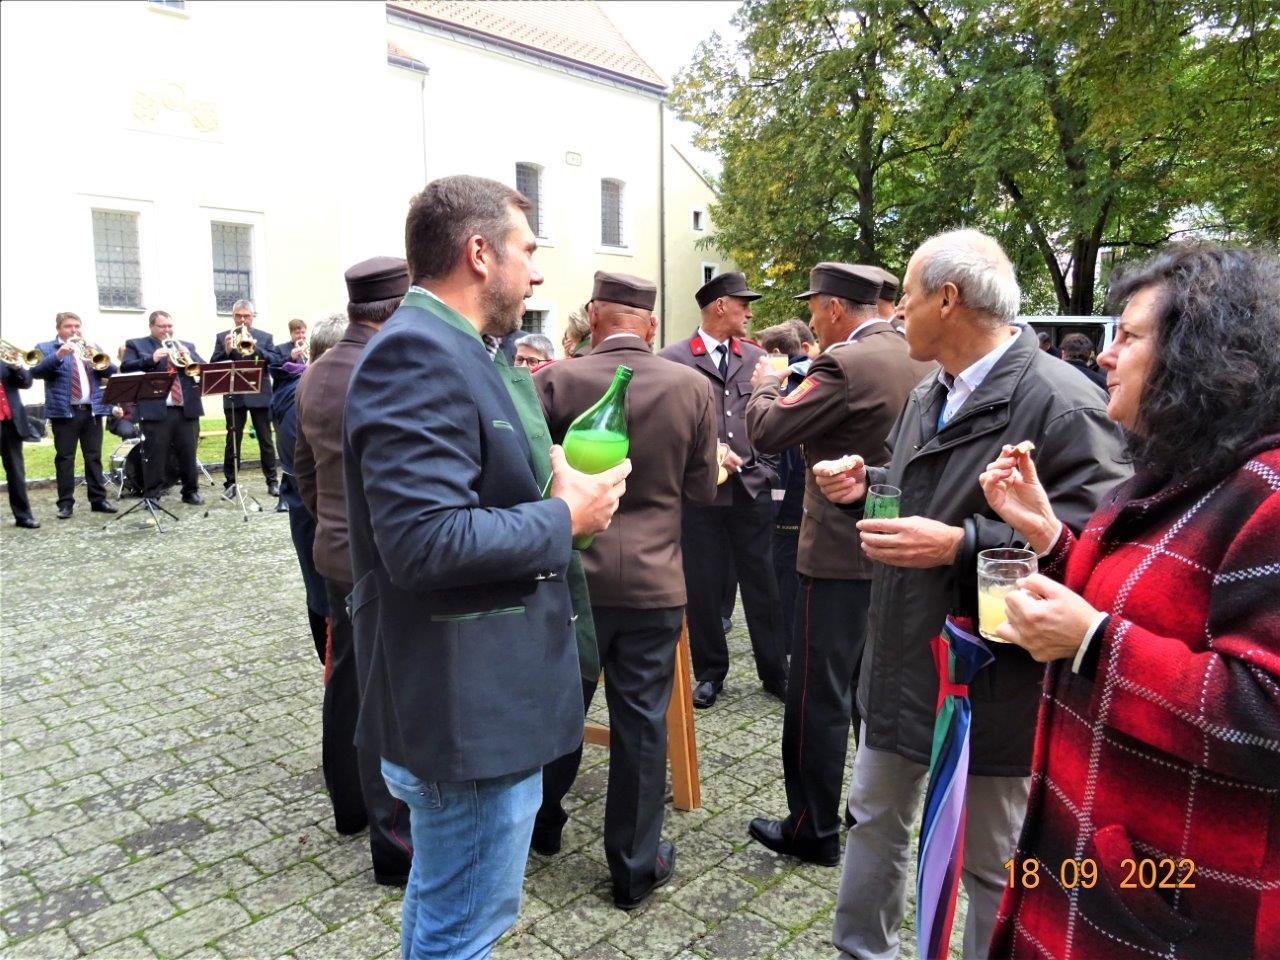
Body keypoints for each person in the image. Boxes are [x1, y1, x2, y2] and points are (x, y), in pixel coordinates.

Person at [812, 229, 1129, 959]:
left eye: (908, 297)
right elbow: (919, 493)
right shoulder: (932, 388)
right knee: (875, 822)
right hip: (901, 660)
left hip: (994, 681)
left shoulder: (1062, 404)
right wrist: (865, 489)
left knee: (994, 862)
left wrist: (959, 545)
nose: (897, 314)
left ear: (948, 299)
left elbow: (1093, 551)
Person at [343, 175, 629, 960]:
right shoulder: (418, 353)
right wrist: (565, 517)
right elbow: (424, 541)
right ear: (479, 253)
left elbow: (466, 492)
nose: (536, 272)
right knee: (462, 927)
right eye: (526, 251)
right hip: (463, 708)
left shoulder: (459, 350)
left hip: (478, 698)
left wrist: (554, 483)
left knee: (448, 907)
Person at [977, 243, 1280, 960]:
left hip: (1169, 896)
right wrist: (1049, 537)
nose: (1105, 356)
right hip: (1101, 858)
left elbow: (1267, 714)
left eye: (1130, 337)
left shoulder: (1266, 492)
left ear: (1201, 355)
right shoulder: (1182, 466)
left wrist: (1092, 643)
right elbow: (1145, 603)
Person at [534, 270, 718, 909]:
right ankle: (634, 868)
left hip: (571, 579)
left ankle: (542, 825)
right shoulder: (691, 386)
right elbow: (702, 491)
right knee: (641, 723)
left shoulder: (554, 381)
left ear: (593, 315)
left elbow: (533, 479)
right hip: (653, 580)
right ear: (651, 325)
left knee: (560, 707)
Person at [745, 263, 935, 868]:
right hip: (900, 548)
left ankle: (812, 828)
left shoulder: (842, 364)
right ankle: (869, 811)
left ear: (832, 309)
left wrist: (766, 383)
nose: (814, 321)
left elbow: (767, 430)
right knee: (870, 692)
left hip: (836, 555)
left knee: (818, 696)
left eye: (814, 309)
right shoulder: (920, 355)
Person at [295, 258, 412, 886]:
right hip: (380, 556)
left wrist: (331, 526)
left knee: (346, 675)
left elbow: (304, 470)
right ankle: (393, 844)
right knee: (385, 692)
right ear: (397, 308)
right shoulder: (387, 367)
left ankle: (347, 804)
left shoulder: (316, 370)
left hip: (335, 552)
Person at [660, 272, 788, 709]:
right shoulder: (674, 359)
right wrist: (710, 454)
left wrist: (766, 469)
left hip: (752, 492)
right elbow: (668, 426)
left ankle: (775, 671)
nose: (749, 312)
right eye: (743, 304)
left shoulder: (757, 358)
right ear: (719, 306)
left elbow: (774, 418)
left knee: (763, 585)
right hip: (700, 495)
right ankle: (710, 673)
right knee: (702, 587)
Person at [271, 312, 345, 666]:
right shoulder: (301, 399)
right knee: (325, 605)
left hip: (321, 521)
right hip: (315, 522)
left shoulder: (315, 389)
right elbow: (308, 468)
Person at [754, 322, 808, 665]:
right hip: (802, 496)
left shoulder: (788, 385)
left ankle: (787, 649)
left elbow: (780, 447)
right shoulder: (812, 374)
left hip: (788, 498)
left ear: (775, 355)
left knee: (784, 573)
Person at [30, 312, 118, 518]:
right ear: (58, 329)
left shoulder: (90, 347)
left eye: (77, 326)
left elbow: (111, 372)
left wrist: (97, 354)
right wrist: (59, 355)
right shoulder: (46, 347)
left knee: (94, 457)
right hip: (64, 412)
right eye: (69, 326)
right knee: (65, 458)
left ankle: (98, 500)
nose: (74, 330)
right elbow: (36, 372)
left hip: (91, 411)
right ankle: (65, 504)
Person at [120, 310, 205, 506]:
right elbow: (126, 367)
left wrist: (189, 355)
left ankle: (190, 491)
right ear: (151, 326)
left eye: (169, 326)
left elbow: (202, 368)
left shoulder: (186, 345)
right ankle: (152, 495)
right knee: (155, 454)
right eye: (162, 326)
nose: (167, 330)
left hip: (185, 408)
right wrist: (152, 359)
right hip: (155, 409)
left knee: (188, 452)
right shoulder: (137, 345)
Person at [209, 299, 280, 497]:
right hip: (235, 395)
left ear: (252, 317)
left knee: (266, 440)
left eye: (246, 316)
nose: (242, 320)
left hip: (260, 394)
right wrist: (227, 351)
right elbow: (213, 365)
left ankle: (272, 481)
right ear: (233, 316)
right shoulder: (223, 337)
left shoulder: (265, 337)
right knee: (233, 440)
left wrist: (257, 349)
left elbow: (275, 362)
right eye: (239, 316)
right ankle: (231, 483)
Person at [1, 355, 39, 527]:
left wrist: (18, 369)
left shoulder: (5, 361)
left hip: (10, 423)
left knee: (16, 472)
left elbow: (27, 382)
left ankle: (23, 516)